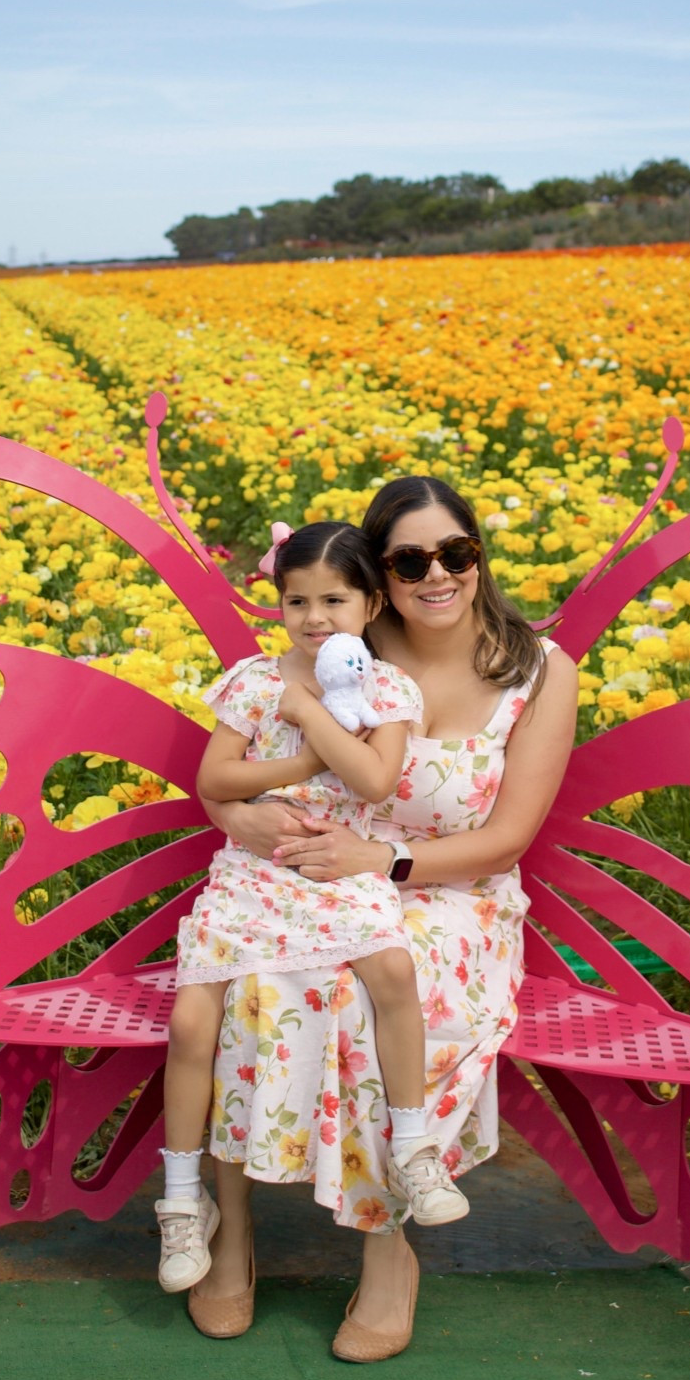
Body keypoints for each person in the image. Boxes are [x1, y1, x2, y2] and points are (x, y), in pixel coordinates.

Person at [189, 476, 579, 1358]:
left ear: (479, 556)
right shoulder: (346, 645)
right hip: (310, 874)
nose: (437, 575)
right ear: (378, 577)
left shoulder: (538, 671)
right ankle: (231, 1231)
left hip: (452, 893)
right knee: (248, 978)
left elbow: (507, 839)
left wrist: (383, 862)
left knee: (372, 989)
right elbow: (240, 759)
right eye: (409, 562)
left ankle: (386, 1245)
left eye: (456, 553)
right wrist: (242, 823)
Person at [155, 519, 469, 1297]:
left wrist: (315, 713)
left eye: (334, 600)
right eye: (297, 601)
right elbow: (214, 780)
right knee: (192, 1020)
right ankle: (183, 1201)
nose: (315, 618)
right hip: (253, 875)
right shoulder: (254, 682)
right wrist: (295, 760)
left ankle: (416, 1148)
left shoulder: (385, 689)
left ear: (370, 605)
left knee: (392, 972)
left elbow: (373, 781)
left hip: (339, 871)